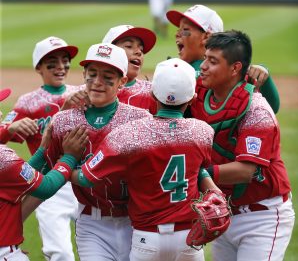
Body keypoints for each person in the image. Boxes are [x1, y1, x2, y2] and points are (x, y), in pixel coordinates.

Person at [70, 58, 219, 261]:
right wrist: (214, 190)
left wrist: (65, 165)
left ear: (152, 94)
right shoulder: (203, 132)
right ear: (193, 98)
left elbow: (86, 178)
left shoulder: (129, 134)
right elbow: (199, 169)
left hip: (147, 239)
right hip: (188, 239)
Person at [42, 43, 152, 261]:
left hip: (137, 222)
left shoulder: (141, 120)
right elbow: (43, 173)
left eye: (108, 75)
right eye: (92, 74)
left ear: (122, 81)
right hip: (92, 225)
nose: (98, 82)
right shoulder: (66, 121)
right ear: (83, 74)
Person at [198, 30, 294, 261]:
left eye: (213, 61)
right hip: (224, 211)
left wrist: (198, 174)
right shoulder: (199, 93)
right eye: (205, 58)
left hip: (261, 217)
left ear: (235, 68)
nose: (203, 66)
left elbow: (246, 171)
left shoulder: (256, 111)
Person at [0, 36, 81, 261]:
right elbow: (2, 132)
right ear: (39, 67)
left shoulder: (81, 92)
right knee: (61, 253)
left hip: (81, 179)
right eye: (52, 62)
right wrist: (10, 128)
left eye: (65, 60)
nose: (60, 66)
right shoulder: (27, 102)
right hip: (44, 181)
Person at [166, 4, 281, 114]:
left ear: (206, 36)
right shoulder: (231, 72)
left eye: (185, 30)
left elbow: (271, 107)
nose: (178, 34)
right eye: (178, 30)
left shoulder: (230, 72)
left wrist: (263, 76)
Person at [102, 24, 157, 114]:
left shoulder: (153, 94)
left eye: (141, 49)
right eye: (129, 46)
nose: (139, 52)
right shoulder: (91, 92)